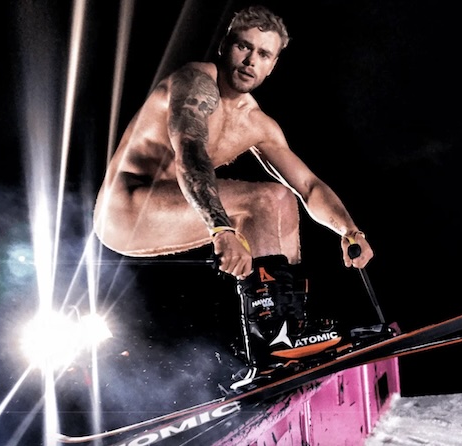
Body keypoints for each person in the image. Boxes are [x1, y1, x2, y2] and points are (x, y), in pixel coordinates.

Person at [93, 5, 374, 378]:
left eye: (263, 54)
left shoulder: (257, 124)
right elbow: (190, 153)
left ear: (272, 65)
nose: (250, 61)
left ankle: (287, 328)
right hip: (125, 208)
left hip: (172, 211)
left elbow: (308, 186)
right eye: (244, 47)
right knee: (263, 199)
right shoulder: (195, 83)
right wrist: (221, 227)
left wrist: (349, 230)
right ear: (225, 46)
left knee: (281, 200)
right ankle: (272, 340)